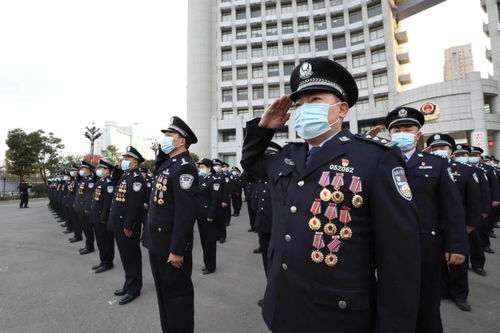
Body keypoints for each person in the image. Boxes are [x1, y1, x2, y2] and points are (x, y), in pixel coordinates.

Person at [241, 57, 421, 332]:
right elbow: (252, 166)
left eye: (315, 100)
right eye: (299, 105)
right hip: (285, 306)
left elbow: (399, 259)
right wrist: (264, 130)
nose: (304, 110)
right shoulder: (289, 155)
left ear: (342, 110)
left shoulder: (376, 158)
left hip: (337, 314)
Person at [384, 107, 468, 332]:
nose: (402, 132)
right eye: (397, 129)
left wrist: (456, 245)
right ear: (390, 134)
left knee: (427, 304)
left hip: (427, 246)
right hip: (388, 246)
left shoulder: (437, 164)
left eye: (407, 129)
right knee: (392, 303)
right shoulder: (380, 162)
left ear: (418, 134)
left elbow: (452, 208)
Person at [142, 116, 199, 333]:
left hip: (170, 246)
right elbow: (159, 165)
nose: (163, 139)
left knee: (177, 298)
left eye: (168, 136)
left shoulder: (185, 168)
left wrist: (177, 250)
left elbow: (185, 214)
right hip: (157, 241)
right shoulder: (169, 164)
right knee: (164, 295)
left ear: (181, 141)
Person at [426, 136, 481, 312]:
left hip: (458, 224)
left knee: (458, 262)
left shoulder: (464, 170)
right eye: (434, 148)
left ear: (451, 150)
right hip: (434, 226)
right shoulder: (427, 166)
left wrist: (472, 223)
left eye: (442, 147)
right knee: (438, 262)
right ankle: (442, 290)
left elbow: (473, 198)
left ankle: (460, 294)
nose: (438, 151)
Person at [108, 146, 146, 305]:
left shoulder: (136, 179)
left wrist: (129, 225)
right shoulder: (126, 176)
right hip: (119, 223)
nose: (122, 161)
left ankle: (134, 289)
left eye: (126, 159)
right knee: (125, 257)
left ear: (135, 163)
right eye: (123, 158)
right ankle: (128, 284)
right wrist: (118, 169)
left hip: (127, 225)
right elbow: (113, 182)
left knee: (131, 257)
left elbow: (135, 205)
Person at [254, 141, 281, 307]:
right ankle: (271, 293)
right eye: (266, 157)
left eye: (271, 156)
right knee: (267, 261)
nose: (268, 161)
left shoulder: (283, 177)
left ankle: (280, 296)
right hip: (264, 226)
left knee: (278, 263)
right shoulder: (263, 177)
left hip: (278, 227)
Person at [195, 158, 222, 275]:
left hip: (208, 217)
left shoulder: (214, 180)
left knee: (209, 242)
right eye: (199, 167)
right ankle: (207, 264)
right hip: (201, 216)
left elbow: (215, 200)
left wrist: (211, 215)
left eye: (202, 167)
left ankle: (211, 266)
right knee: (204, 242)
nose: (200, 169)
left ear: (209, 168)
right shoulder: (201, 179)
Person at [89, 159, 116, 274]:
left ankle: (108, 263)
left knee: (106, 241)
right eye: (98, 168)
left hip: (103, 218)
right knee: (100, 240)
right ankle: (103, 261)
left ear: (107, 170)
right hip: (96, 216)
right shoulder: (100, 181)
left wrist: (104, 218)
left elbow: (108, 203)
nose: (98, 170)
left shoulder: (109, 183)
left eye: (100, 168)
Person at [73, 161, 96, 255]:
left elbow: (89, 196)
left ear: (89, 171)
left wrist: (87, 208)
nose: (80, 170)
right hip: (80, 207)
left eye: (83, 169)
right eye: (80, 169)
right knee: (84, 227)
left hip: (85, 209)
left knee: (88, 228)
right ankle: (88, 245)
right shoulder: (83, 180)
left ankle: (90, 246)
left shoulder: (90, 181)